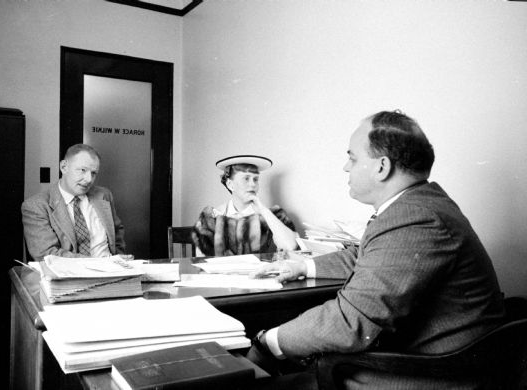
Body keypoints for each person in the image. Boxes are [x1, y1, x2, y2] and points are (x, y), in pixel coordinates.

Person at [247, 111, 505, 389]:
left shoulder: (414, 217)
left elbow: (350, 323)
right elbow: (369, 256)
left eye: (353, 158)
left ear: (382, 167)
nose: (346, 167)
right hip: (434, 360)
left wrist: (268, 341)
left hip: (428, 376)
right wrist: (303, 266)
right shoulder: (420, 205)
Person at [22, 143, 127, 261]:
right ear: (64, 167)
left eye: (93, 173)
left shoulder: (104, 195)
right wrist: (98, 264)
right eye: (83, 170)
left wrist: (118, 259)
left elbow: (117, 231)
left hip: (112, 272)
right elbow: (47, 254)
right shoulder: (37, 206)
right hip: (70, 275)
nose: (89, 179)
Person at [192, 155, 298, 256]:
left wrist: (263, 210)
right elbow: (202, 258)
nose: (253, 184)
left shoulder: (271, 216)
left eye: (255, 179)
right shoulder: (212, 217)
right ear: (230, 184)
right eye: (246, 178)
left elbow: (290, 246)